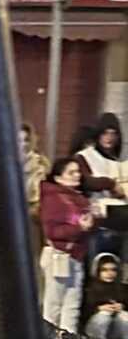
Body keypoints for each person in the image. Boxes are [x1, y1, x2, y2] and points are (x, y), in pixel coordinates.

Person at [40, 156, 95, 333]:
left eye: (78, 171)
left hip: (75, 256)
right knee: (54, 305)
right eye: (71, 172)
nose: (77, 175)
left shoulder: (78, 199)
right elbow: (53, 232)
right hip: (59, 255)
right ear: (58, 177)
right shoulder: (54, 198)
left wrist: (94, 219)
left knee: (72, 304)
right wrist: (79, 228)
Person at [75, 113, 126, 264]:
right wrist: (111, 184)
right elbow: (85, 181)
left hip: (118, 221)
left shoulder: (118, 163)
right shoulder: (84, 156)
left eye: (113, 133)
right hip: (96, 222)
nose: (109, 138)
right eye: (105, 133)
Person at [83, 253, 128, 339]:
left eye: (113, 270)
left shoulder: (123, 288)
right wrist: (98, 308)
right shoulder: (90, 288)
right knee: (103, 316)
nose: (109, 273)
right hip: (95, 328)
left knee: (124, 316)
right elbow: (83, 312)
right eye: (105, 270)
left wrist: (122, 306)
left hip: (115, 330)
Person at [20, 123, 50, 260]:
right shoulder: (4, 162)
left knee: (30, 258)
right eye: (19, 140)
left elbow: (38, 191)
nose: (23, 144)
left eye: (26, 140)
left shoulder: (39, 164)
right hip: (6, 215)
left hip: (30, 214)